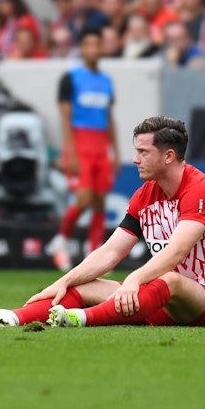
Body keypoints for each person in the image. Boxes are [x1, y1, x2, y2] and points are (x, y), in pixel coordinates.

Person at [0, 116, 205, 329]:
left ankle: (82, 319)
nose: (136, 159)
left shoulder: (201, 190)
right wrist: (63, 282)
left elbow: (176, 253)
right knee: (83, 286)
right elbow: (111, 252)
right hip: (160, 300)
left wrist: (134, 280)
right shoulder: (145, 194)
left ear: (168, 156)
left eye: (143, 152)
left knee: (171, 280)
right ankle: (10, 318)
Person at [48, 29, 119, 272]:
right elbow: (65, 117)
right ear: (82, 48)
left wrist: (116, 151)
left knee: (100, 201)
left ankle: (95, 255)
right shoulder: (71, 78)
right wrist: (70, 152)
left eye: (97, 44)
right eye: (88, 44)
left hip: (100, 145)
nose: (93, 49)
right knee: (84, 198)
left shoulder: (107, 81)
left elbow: (109, 117)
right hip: (79, 142)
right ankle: (61, 240)